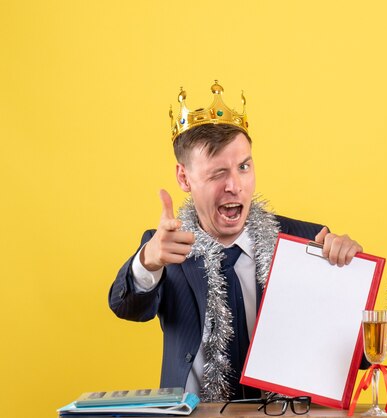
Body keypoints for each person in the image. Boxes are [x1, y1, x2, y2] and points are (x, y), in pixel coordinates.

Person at [109, 81, 363, 402]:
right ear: (184, 178)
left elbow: (360, 357)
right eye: (217, 173)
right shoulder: (165, 248)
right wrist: (147, 262)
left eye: (244, 167)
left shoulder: (306, 242)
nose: (235, 186)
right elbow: (126, 306)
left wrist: (346, 278)